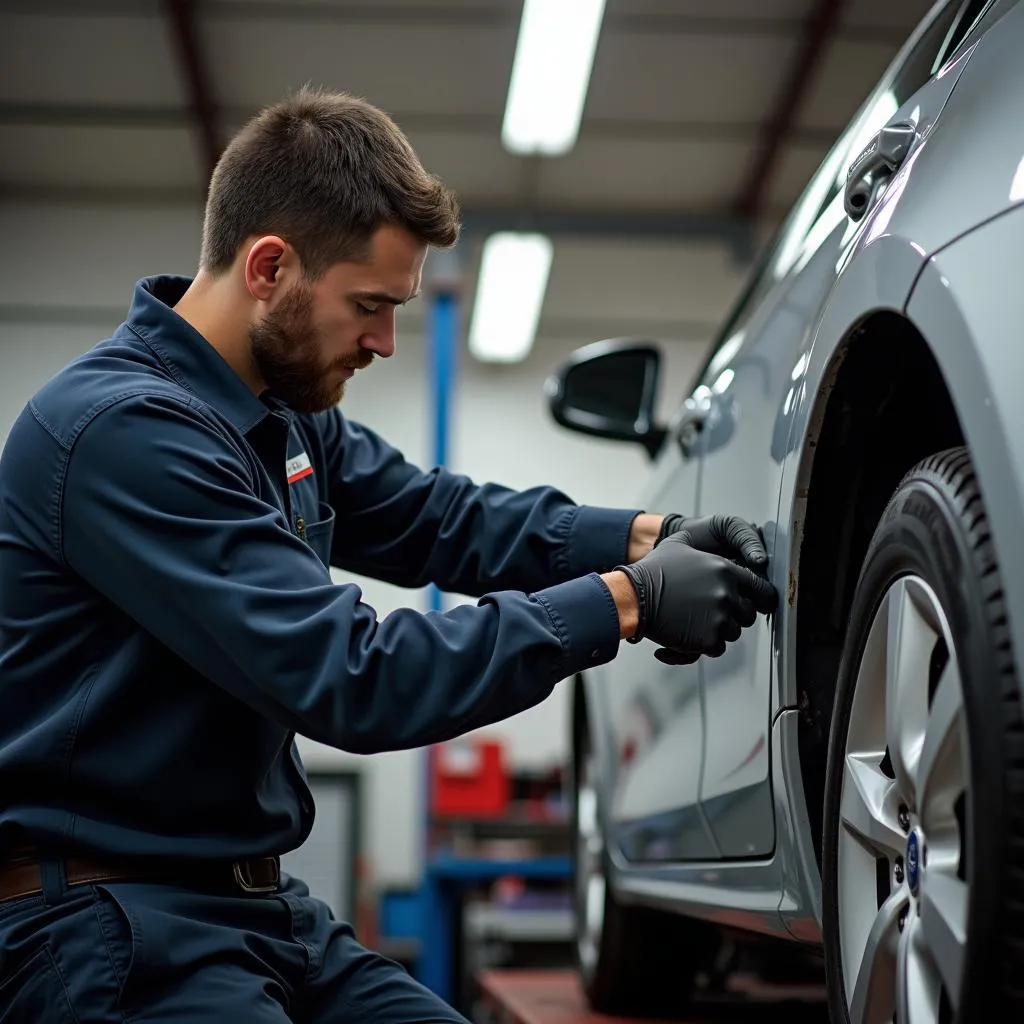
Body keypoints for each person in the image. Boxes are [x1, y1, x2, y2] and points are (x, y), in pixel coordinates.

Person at [0, 87, 776, 1023]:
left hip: (258, 910)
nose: (384, 340)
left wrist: (650, 536)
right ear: (269, 266)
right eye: (369, 305)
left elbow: (437, 518)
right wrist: (626, 601)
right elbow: (352, 676)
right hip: (109, 929)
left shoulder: (277, 418)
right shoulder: (123, 435)